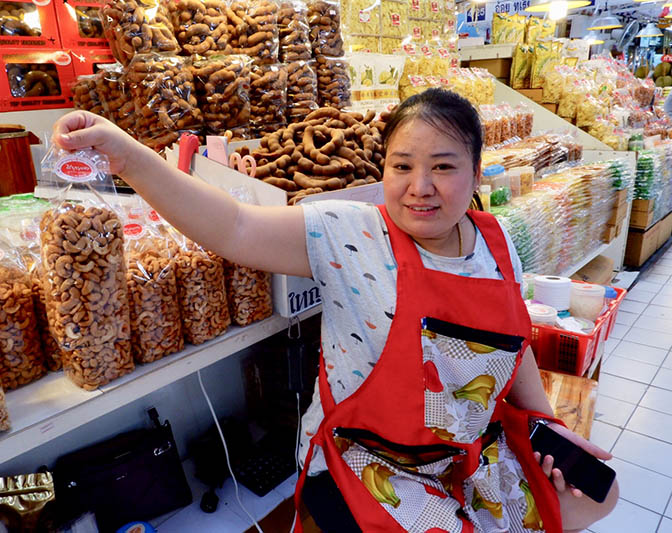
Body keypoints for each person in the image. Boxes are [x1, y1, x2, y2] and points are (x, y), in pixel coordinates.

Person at [52, 89, 618, 533]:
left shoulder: (497, 245)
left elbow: (512, 346)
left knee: (600, 492)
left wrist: (547, 427)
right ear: (384, 171)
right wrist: (125, 154)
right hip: (370, 463)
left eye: (443, 167)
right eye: (402, 166)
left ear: (475, 171)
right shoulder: (350, 232)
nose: (420, 187)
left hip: (470, 449)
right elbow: (235, 226)